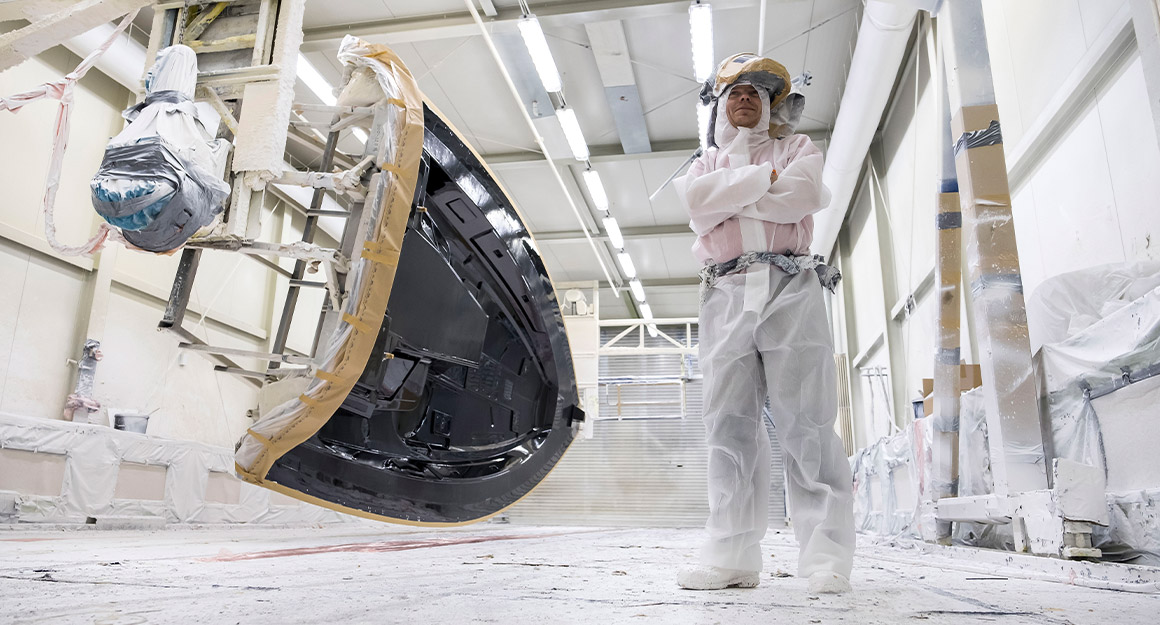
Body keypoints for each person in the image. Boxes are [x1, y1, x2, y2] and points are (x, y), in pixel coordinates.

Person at [671, 53, 855, 594]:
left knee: (809, 422)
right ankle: (731, 554)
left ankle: (826, 558)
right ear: (722, 105)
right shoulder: (704, 161)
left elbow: (802, 195)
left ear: (772, 103)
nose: (746, 96)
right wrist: (762, 182)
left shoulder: (798, 149)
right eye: (736, 91)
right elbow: (698, 204)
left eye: (757, 90)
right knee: (728, 423)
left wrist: (735, 197)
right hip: (725, 289)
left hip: (791, 287)